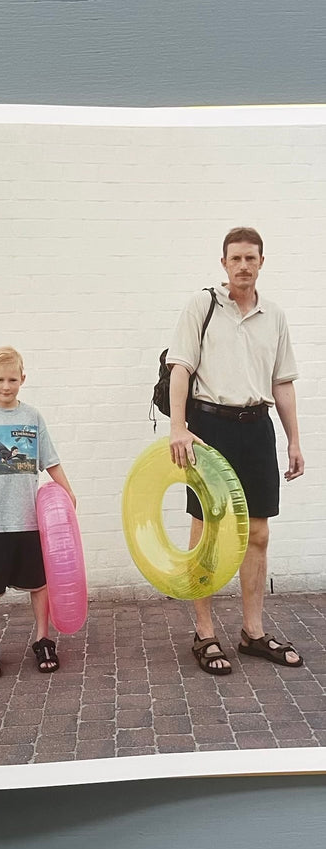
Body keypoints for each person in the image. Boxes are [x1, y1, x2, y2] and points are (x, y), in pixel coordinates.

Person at [167, 227, 304, 675]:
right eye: (236, 259)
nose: (244, 265)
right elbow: (181, 369)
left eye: (251, 258)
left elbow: (281, 383)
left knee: (258, 534)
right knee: (205, 533)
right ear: (223, 263)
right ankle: (204, 634)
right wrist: (178, 428)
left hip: (256, 427)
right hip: (208, 430)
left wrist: (294, 441)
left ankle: (252, 633)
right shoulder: (202, 306)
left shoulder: (274, 316)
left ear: (262, 262)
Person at [0, 347, 76, 679]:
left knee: (39, 584)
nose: (6, 386)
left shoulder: (33, 417)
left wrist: (67, 491)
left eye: (12, 379)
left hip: (30, 522)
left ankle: (43, 638)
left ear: (23, 379)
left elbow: (49, 460)